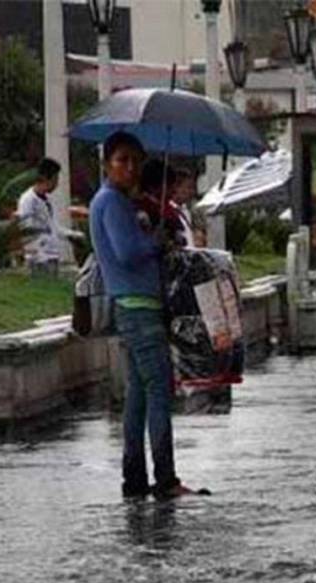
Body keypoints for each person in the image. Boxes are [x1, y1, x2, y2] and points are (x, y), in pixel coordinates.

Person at [89, 132, 202, 500]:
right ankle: (166, 479)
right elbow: (126, 252)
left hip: (139, 307)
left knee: (139, 396)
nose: (131, 168)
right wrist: (154, 241)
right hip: (137, 309)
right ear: (107, 163)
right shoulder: (111, 204)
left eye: (136, 161)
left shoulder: (120, 202)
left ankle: (134, 479)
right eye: (122, 160)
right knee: (160, 390)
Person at [16, 158, 79, 277]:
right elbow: (26, 228)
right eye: (55, 179)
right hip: (38, 257)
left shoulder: (47, 200)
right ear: (46, 178)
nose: (57, 184)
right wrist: (37, 252)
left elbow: (53, 226)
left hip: (51, 255)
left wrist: (72, 235)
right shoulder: (28, 200)